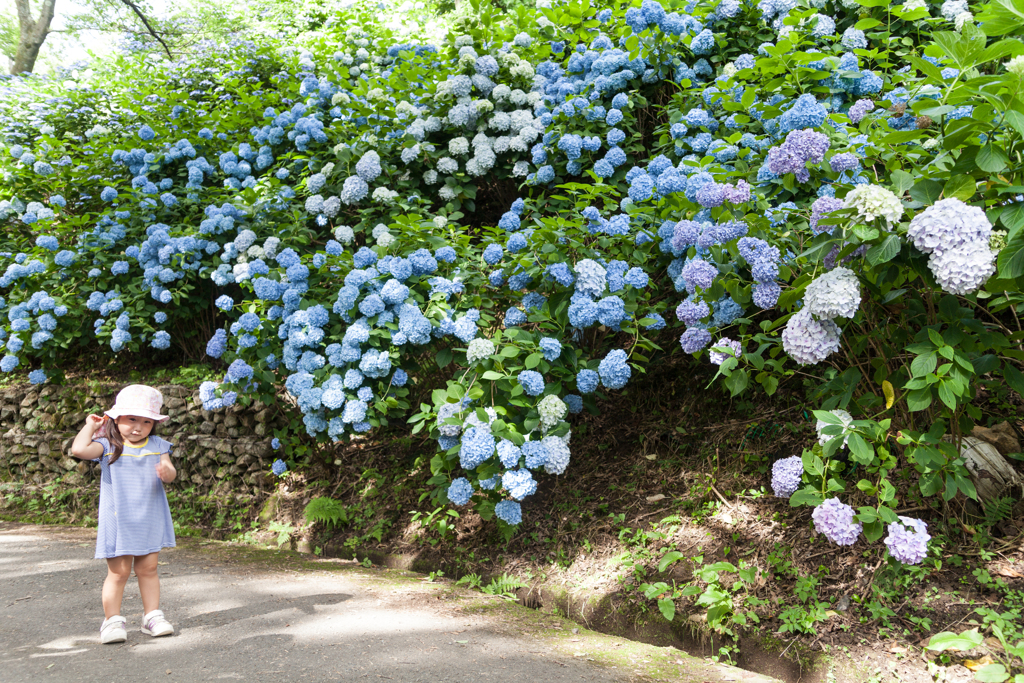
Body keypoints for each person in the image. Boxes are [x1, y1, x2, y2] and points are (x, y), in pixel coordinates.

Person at [71, 384, 177, 644]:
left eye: (147, 421)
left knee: (149, 568)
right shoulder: (107, 445)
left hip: (149, 515)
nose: (138, 427)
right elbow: (79, 450)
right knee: (118, 572)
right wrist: (90, 427)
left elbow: (170, 471)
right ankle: (112, 620)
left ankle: (151, 616)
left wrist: (167, 472)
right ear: (116, 419)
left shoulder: (158, 445)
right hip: (118, 516)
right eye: (131, 419)